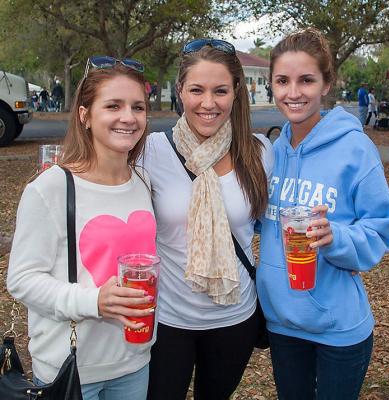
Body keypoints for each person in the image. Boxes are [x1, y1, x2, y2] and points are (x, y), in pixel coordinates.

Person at [257, 28, 389, 400]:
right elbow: (258, 219)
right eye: (282, 81)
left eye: (306, 80)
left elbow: (380, 228)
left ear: (326, 83)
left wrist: (337, 237)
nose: (293, 92)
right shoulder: (274, 151)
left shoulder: (356, 149)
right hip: (282, 323)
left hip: (338, 328)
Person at [7, 57, 157, 400]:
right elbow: (22, 279)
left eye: (138, 107)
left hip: (135, 360)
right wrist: (94, 301)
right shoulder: (52, 187)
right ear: (85, 115)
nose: (128, 117)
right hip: (71, 367)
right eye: (113, 106)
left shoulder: (143, 181)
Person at [142, 38, 274, 400]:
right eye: (196, 89)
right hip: (168, 320)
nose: (208, 103)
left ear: (236, 93)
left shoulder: (260, 152)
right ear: (180, 91)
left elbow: (276, 222)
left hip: (235, 318)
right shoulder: (150, 151)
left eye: (220, 90)